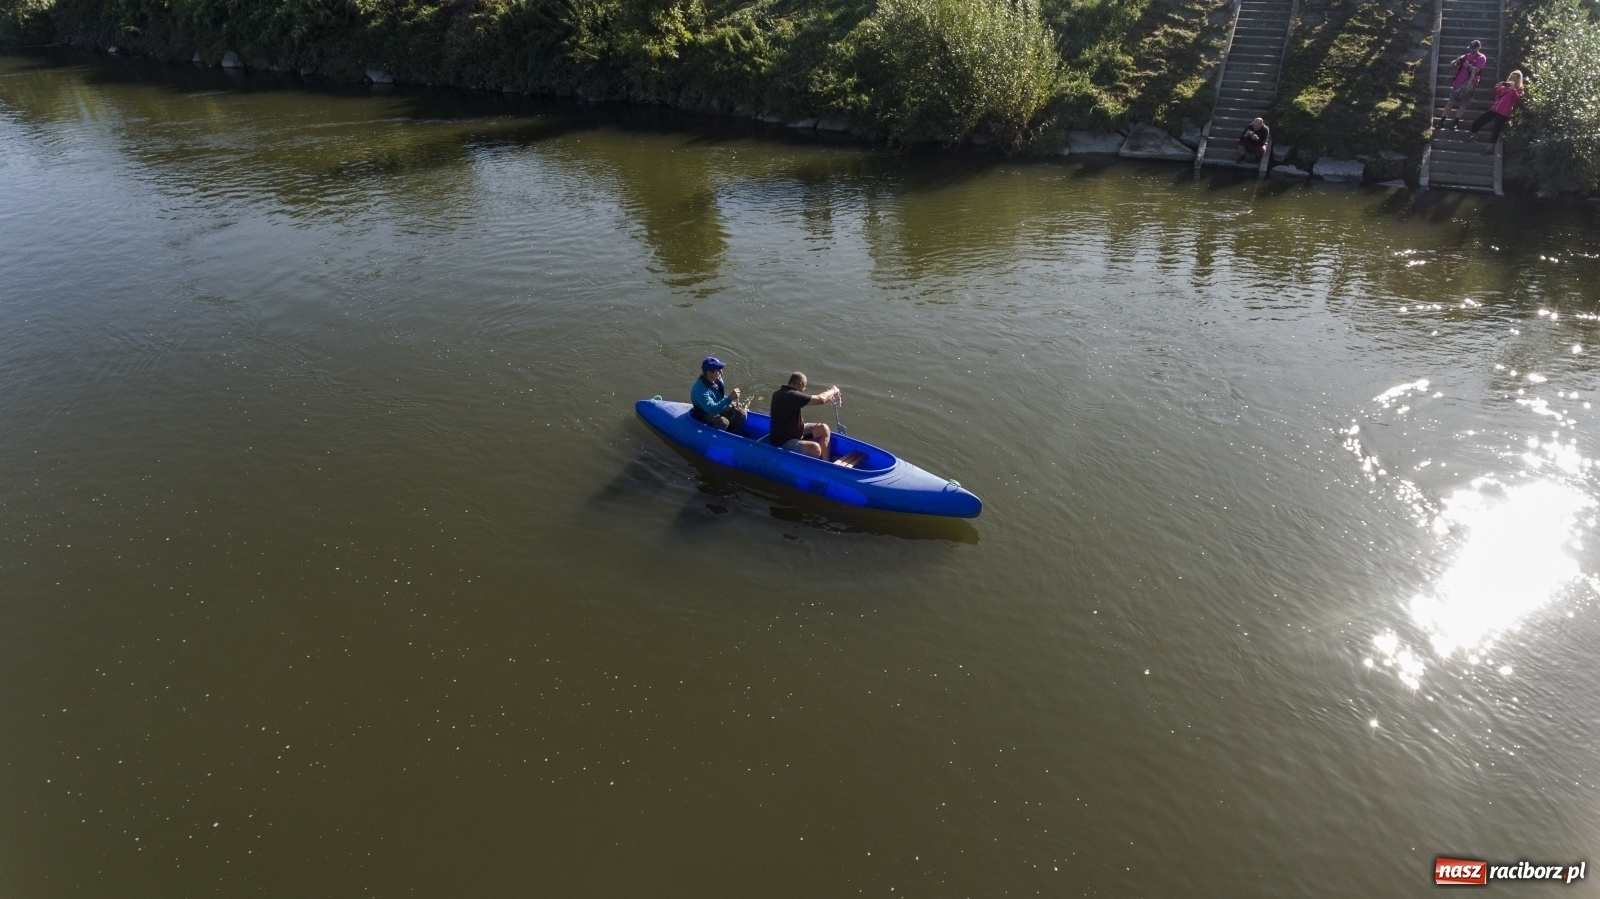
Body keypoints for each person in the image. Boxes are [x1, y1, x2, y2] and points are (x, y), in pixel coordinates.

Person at [769, 372, 841, 460]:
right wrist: (834, 391)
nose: (803, 390)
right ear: (800, 384)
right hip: (784, 442)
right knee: (815, 449)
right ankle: (816, 466)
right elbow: (821, 399)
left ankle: (826, 462)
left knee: (823, 428)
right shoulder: (792, 396)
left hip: (794, 432)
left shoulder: (779, 393)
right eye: (804, 387)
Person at [1469, 70, 1526, 154]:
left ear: (1518, 79)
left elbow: (1517, 98)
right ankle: (1474, 136)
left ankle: (1490, 147)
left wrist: (1513, 89)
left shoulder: (1519, 88)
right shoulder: (1504, 86)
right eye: (1512, 77)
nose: (1513, 79)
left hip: (1504, 112)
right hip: (1495, 109)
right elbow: (1494, 93)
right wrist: (1496, 87)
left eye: (1515, 78)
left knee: (1496, 130)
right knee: (1478, 122)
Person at [1438, 40, 1488, 129]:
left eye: (1473, 48)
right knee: (1450, 103)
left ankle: (1455, 122)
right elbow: (1453, 64)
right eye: (1470, 48)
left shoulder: (1481, 57)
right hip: (1457, 82)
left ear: (1478, 48)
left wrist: (1469, 66)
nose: (1471, 50)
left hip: (1469, 85)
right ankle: (1442, 120)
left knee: (1463, 105)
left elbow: (1478, 70)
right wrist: (1456, 61)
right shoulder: (1465, 56)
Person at [689, 356, 747, 432]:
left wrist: (731, 403)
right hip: (704, 413)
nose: (721, 372)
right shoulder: (700, 390)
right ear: (709, 373)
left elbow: (719, 397)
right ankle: (713, 436)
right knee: (723, 422)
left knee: (741, 413)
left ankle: (732, 433)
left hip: (715, 407)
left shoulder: (717, 379)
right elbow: (712, 410)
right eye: (718, 370)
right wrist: (729, 399)